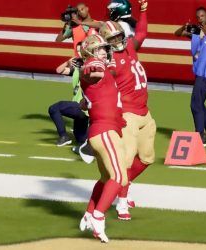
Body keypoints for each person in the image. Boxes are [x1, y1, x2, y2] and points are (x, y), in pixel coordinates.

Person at [99, 0, 156, 220]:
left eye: (118, 37)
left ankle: (125, 184)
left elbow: (141, 33)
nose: (117, 41)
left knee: (147, 158)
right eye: (111, 40)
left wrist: (143, 10)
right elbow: (100, 76)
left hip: (145, 111)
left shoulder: (130, 46)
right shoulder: (110, 63)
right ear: (106, 44)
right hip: (128, 115)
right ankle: (121, 202)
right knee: (125, 162)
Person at [78, 34, 128, 243]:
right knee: (118, 177)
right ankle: (99, 216)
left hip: (105, 130)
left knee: (110, 178)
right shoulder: (94, 63)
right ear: (91, 51)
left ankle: (90, 213)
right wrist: (90, 67)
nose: (104, 52)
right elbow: (90, 70)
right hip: (104, 130)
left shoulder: (104, 70)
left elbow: (85, 101)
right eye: (100, 49)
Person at [174, 6, 206, 146]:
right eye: (198, 17)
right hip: (198, 72)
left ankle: (199, 136)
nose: (200, 18)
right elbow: (177, 33)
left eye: (202, 16)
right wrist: (184, 26)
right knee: (200, 102)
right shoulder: (196, 30)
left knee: (195, 104)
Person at [48, 44, 89, 147]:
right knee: (80, 139)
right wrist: (67, 62)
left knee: (54, 108)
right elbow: (59, 70)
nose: (79, 53)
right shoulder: (76, 68)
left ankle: (63, 136)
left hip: (82, 106)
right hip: (81, 110)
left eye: (81, 50)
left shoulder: (90, 66)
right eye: (78, 51)